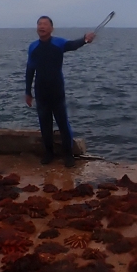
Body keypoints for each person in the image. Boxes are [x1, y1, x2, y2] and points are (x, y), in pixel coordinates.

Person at [25, 16, 95, 167]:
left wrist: (85, 39)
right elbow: (30, 70)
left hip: (57, 91)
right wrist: (28, 92)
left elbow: (73, 45)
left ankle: (68, 155)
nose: (41, 26)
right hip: (41, 92)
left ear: (51, 28)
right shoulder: (33, 47)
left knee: (63, 123)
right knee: (45, 125)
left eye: (45, 24)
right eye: (39, 24)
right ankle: (49, 153)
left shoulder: (58, 43)